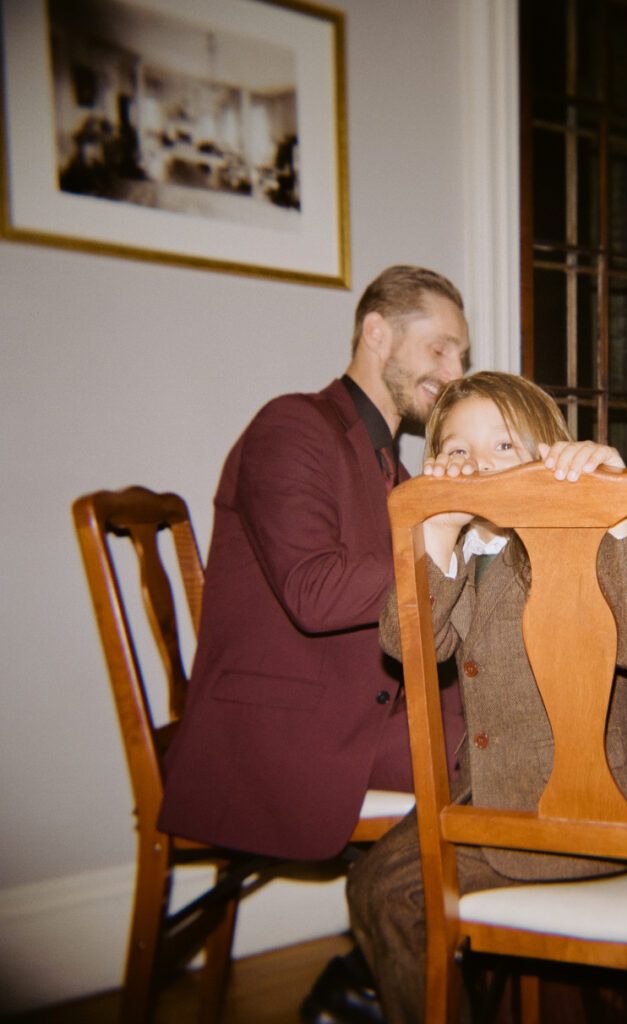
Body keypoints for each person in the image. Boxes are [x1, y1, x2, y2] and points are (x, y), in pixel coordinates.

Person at [156, 265, 471, 1023]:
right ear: (376, 333)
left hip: (356, 704)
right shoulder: (291, 426)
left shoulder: (389, 465)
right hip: (276, 729)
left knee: (514, 721)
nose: (454, 374)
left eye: (461, 357)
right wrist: (437, 545)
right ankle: (385, 951)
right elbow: (315, 590)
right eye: (441, 350)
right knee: (494, 754)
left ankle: (387, 961)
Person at [346, 372, 627, 1024]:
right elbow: (411, 647)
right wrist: (435, 533)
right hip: (494, 797)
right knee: (371, 882)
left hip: (593, 811)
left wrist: (613, 508)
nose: (478, 466)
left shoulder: (572, 542)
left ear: (547, 453)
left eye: (502, 447)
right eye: (457, 450)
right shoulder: (470, 548)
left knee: (390, 893)